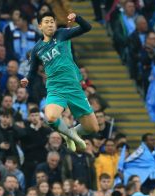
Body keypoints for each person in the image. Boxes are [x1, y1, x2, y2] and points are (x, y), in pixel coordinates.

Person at [20, 12, 99, 152]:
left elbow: (87, 27)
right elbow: (32, 71)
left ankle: (73, 133)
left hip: (74, 87)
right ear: (40, 26)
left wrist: (78, 18)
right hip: (55, 88)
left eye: (52, 21)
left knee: (93, 128)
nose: (50, 24)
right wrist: (26, 78)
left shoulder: (62, 34)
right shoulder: (37, 49)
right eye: (47, 22)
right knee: (50, 117)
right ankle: (68, 135)